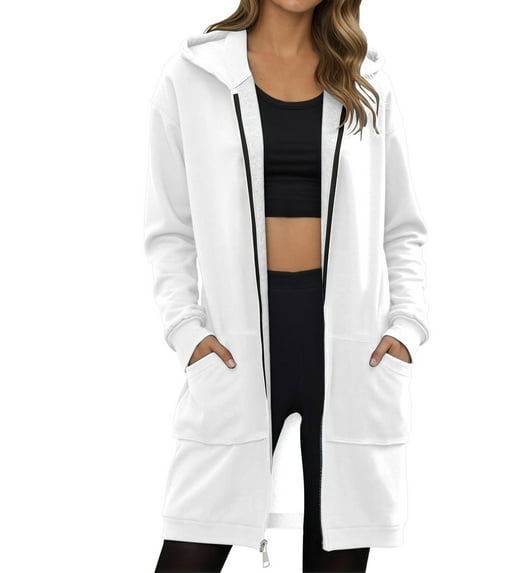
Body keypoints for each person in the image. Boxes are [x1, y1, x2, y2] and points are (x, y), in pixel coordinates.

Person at [144, 1, 430, 572]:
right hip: (236, 347)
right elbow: (170, 230)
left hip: (349, 348)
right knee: (192, 544)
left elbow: (402, 228)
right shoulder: (194, 76)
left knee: (338, 554)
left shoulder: (366, 79)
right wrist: (186, 333)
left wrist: (407, 327)